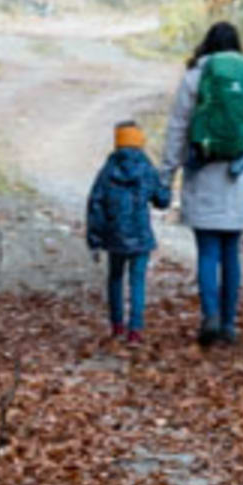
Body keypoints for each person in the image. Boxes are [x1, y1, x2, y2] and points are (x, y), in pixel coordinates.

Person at [161, 17, 243, 346]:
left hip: (203, 171)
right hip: (238, 174)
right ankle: (229, 324)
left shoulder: (194, 77)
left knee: (207, 251)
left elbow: (178, 129)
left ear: (207, 45)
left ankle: (209, 316)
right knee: (232, 252)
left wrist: (167, 174)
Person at [82, 119, 173, 342]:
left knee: (115, 278)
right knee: (137, 280)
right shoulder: (146, 168)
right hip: (140, 235)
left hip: (114, 237)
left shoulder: (107, 170)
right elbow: (162, 201)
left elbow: (95, 204)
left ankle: (116, 325)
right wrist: (166, 184)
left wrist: (94, 239)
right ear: (139, 141)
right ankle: (135, 328)